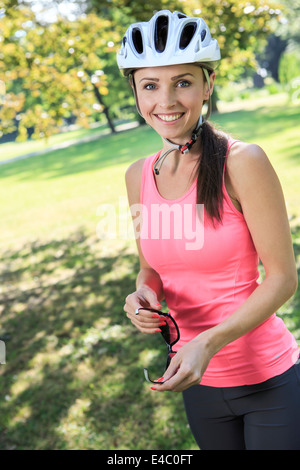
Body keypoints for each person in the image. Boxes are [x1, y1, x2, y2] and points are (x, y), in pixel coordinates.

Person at [117, 10, 300, 450]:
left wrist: (207, 344)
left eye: (182, 82)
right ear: (136, 93)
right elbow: (151, 268)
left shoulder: (243, 162)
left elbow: (282, 278)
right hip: (196, 383)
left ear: (208, 85)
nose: (167, 100)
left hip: (268, 380)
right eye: (150, 85)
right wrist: (142, 293)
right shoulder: (136, 176)